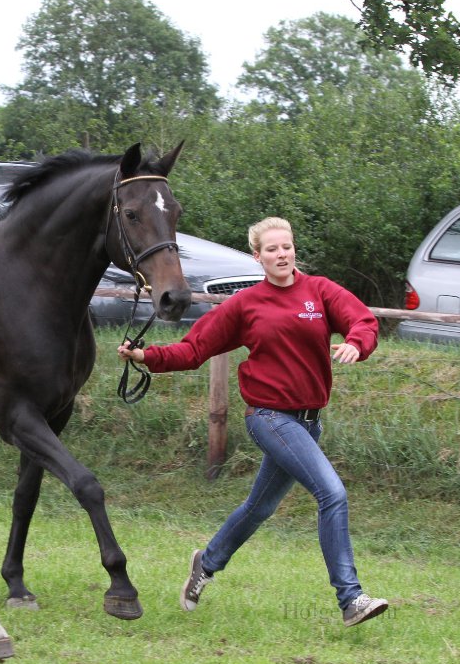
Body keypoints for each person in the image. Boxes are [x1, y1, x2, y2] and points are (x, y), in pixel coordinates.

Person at [118, 216, 389, 627]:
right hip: (269, 417)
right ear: (257, 256)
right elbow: (193, 350)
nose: (282, 255)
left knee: (259, 507)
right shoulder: (245, 305)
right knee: (332, 493)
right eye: (272, 249)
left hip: (309, 422)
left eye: (287, 247)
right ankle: (351, 599)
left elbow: (363, 321)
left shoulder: (319, 291)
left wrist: (356, 343)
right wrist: (145, 356)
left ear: (294, 249)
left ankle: (205, 565)